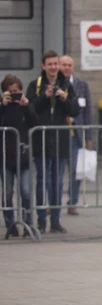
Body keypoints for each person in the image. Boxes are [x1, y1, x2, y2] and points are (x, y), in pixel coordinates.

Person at [26, 51, 79, 234]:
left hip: (60, 140)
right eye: (50, 64)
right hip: (41, 140)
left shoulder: (67, 86)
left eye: (55, 64)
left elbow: (75, 111)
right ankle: (41, 220)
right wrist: (44, 97)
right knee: (43, 180)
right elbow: (30, 110)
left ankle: (55, 221)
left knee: (57, 182)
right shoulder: (36, 85)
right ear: (43, 66)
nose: (54, 67)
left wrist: (64, 99)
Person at [1, 75, 38, 238]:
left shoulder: (25, 106)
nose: (14, 95)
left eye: (17, 92)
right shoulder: (3, 106)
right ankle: (10, 225)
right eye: (11, 92)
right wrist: (3, 105)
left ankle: (29, 223)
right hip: (5, 158)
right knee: (7, 192)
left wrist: (27, 106)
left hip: (23, 156)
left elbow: (36, 123)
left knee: (26, 191)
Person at [60, 55, 92, 215]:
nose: (66, 67)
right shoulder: (54, 85)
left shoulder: (81, 86)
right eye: (63, 65)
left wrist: (89, 136)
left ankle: (72, 202)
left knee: (75, 170)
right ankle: (53, 203)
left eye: (69, 65)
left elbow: (87, 112)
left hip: (75, 134)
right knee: (56, 171)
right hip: (59, 134)